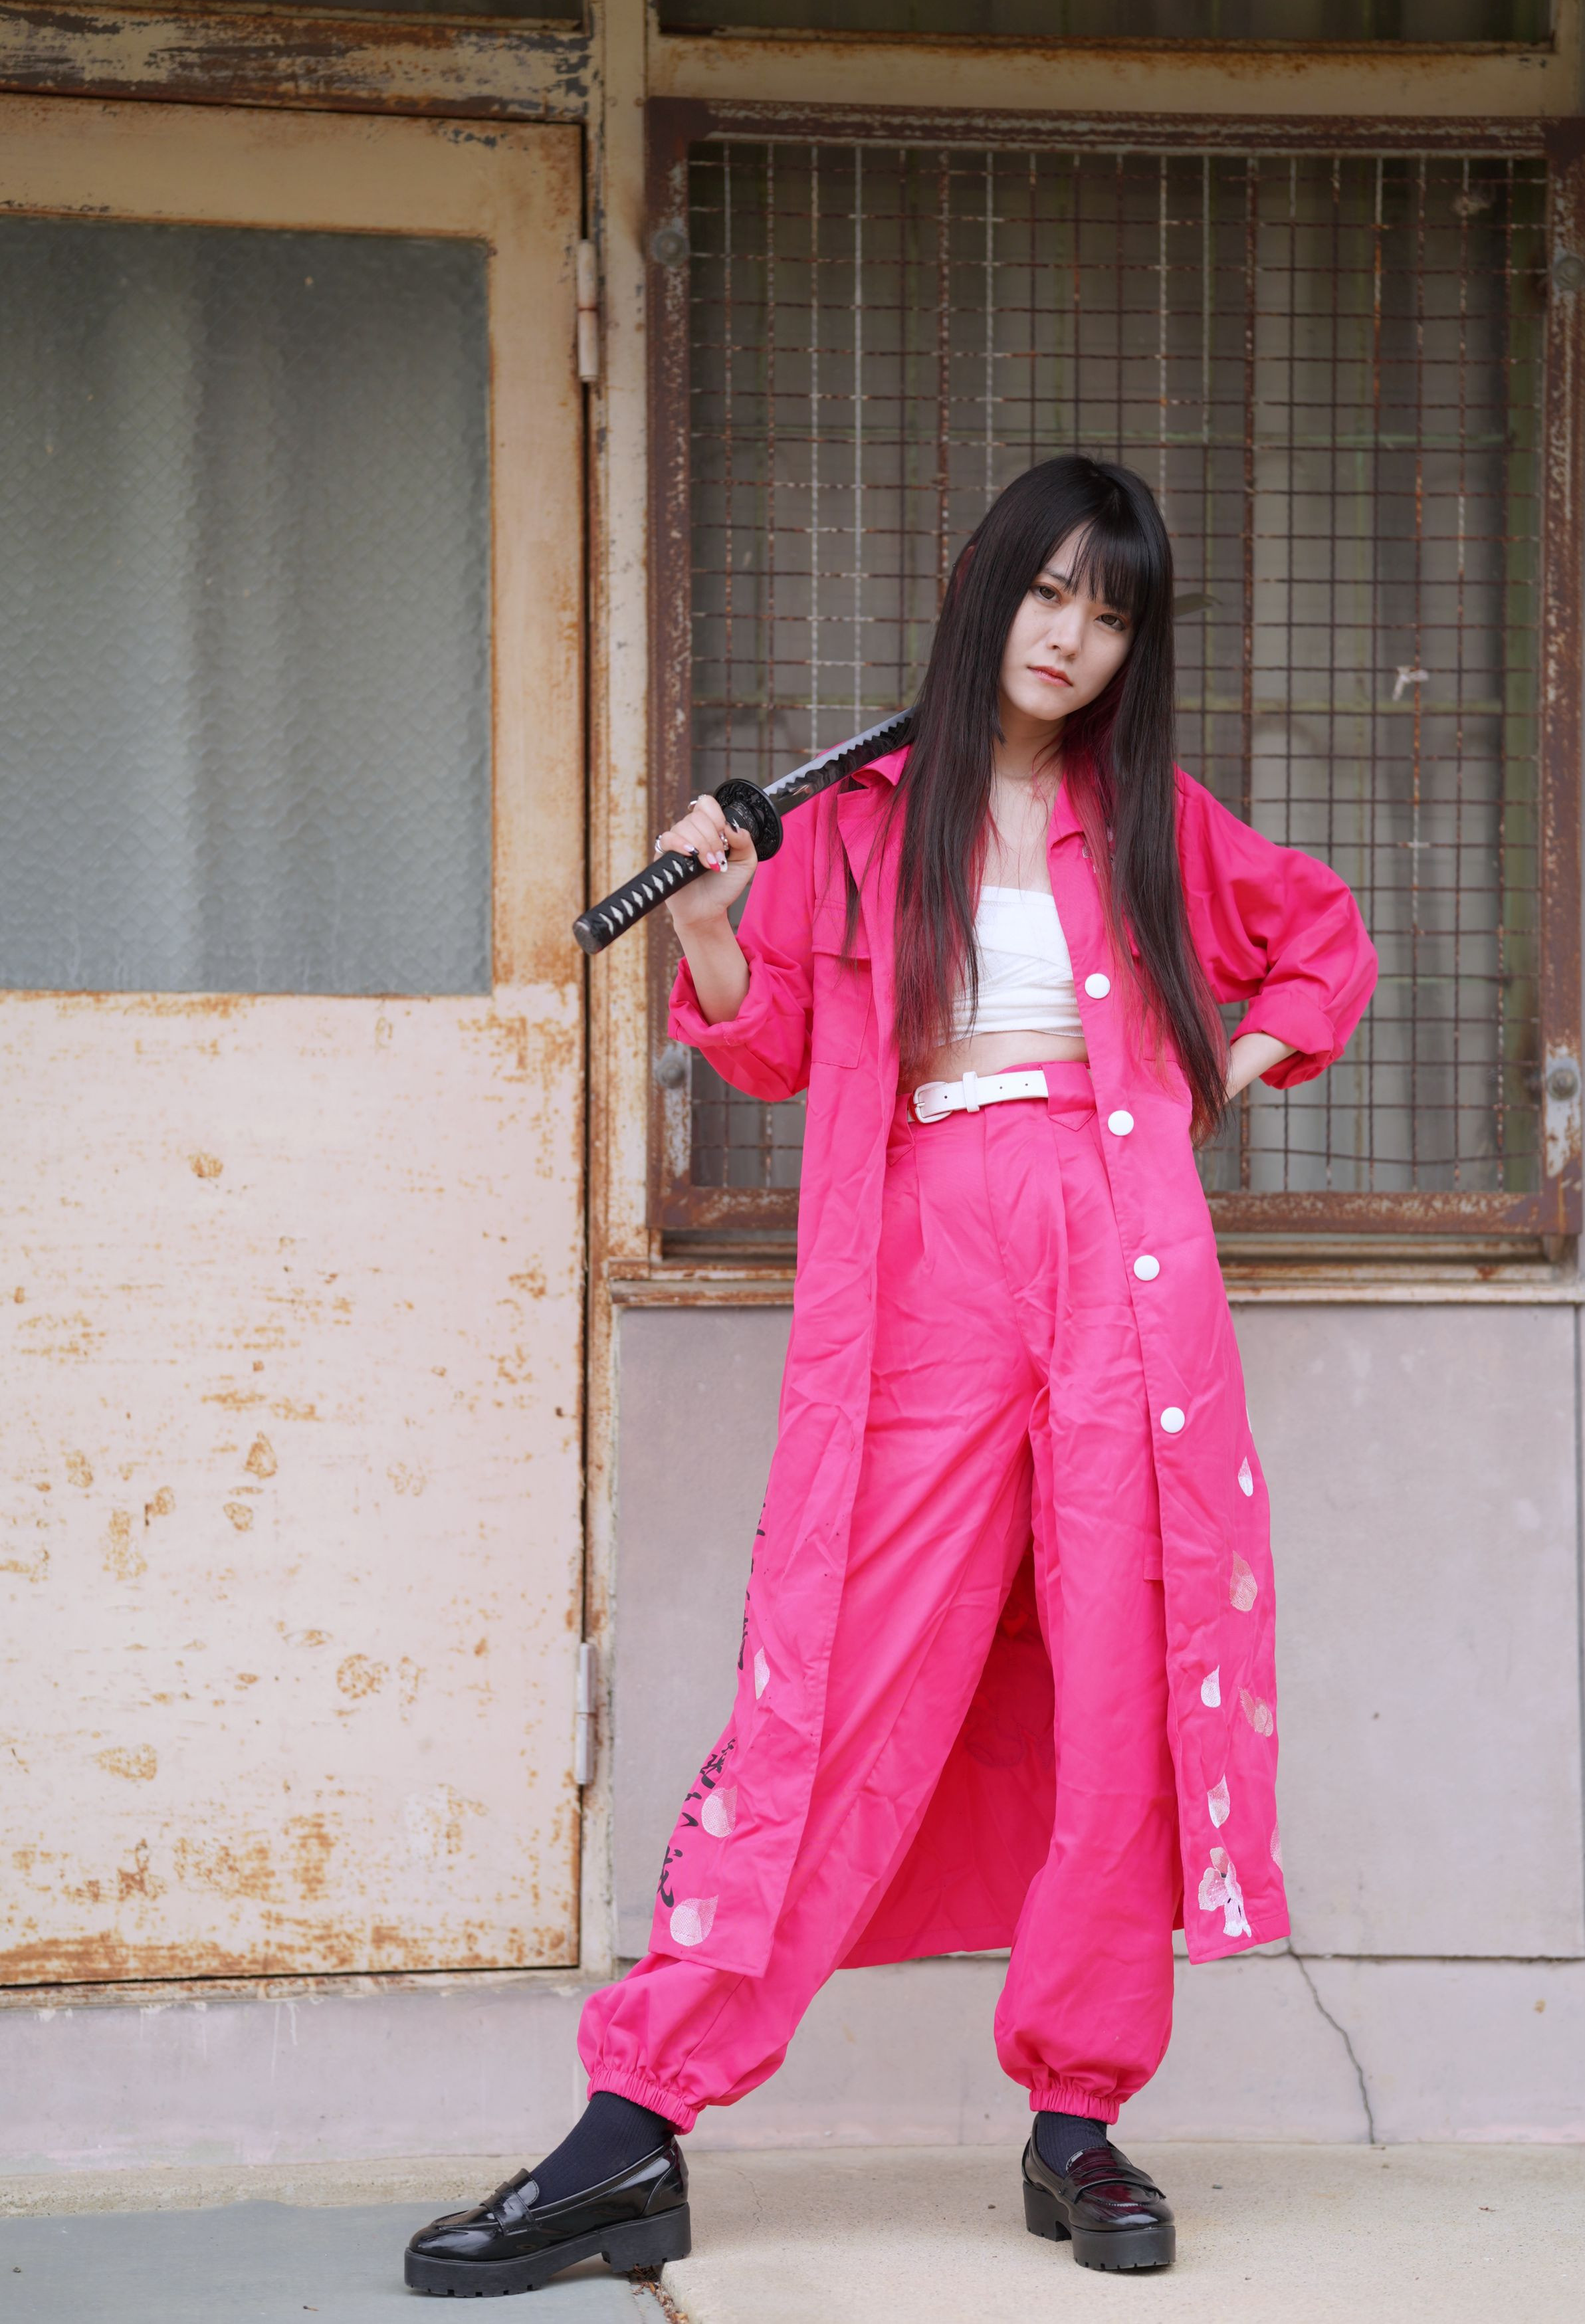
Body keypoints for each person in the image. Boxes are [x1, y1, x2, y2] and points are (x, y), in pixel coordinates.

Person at [405, 455, 1377, 2295]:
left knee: (1115, 1676)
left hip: (1121, 1257)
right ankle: (636, 2118)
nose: (1071, 637)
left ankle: (1077, 2114)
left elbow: (1324, 941)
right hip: (928, 1259)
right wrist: (709, 914)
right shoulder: (857, 819)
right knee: (836, 1675)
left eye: (1110, 614)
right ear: (984, 585)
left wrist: (1211, 1078)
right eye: (1049, 592)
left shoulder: (1149, 818)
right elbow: (767, 1047)